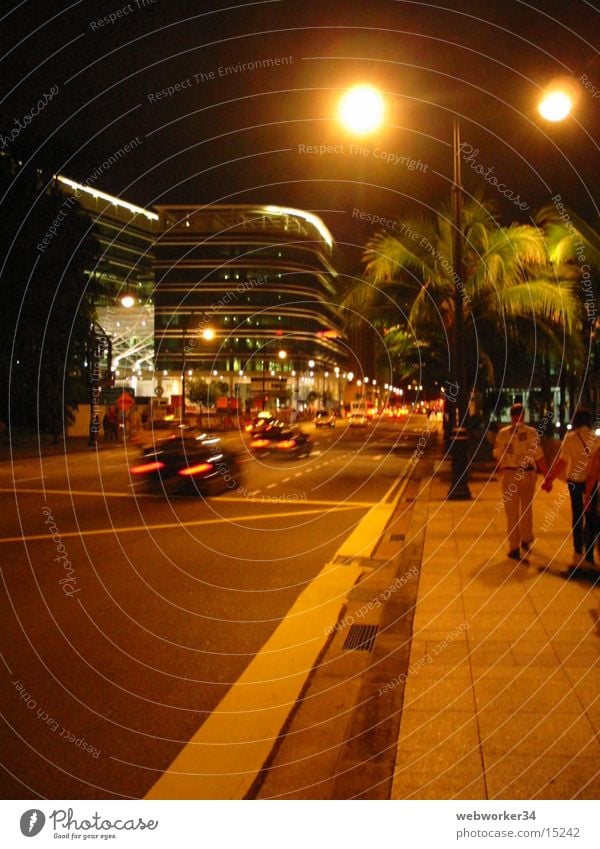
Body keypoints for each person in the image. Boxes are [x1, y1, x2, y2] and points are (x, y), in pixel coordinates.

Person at [493, 402, 550, 561]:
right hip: (527, 475)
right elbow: (539, 456)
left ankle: (514, 547)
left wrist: (502, 469)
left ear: (511, 416)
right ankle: (526, 538)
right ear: (523, 416)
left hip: (510, 475)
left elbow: (498, 456)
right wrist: (547, 477)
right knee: (526, 508)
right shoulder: (532, 433)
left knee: (511, 513)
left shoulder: (503, 434)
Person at [542, 409, 598, 569]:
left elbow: (562, 461)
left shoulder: (570, 438)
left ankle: (577, 549)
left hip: (574, 480)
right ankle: (589, 553)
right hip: (591, 481)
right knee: (591, 515)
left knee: (577, 513)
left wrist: (549, 480)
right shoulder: (596, 439)